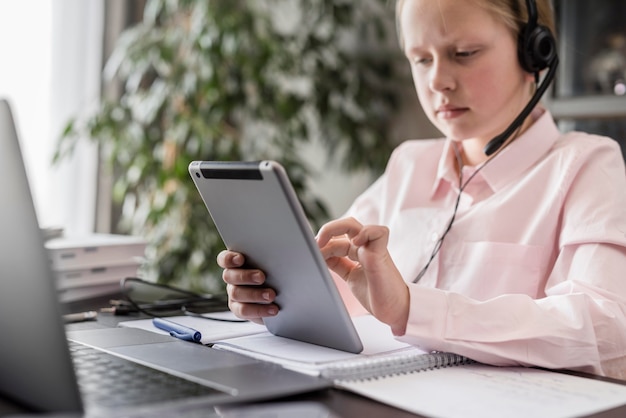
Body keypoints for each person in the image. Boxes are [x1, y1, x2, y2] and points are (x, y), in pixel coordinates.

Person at [218, 0, 626, 380]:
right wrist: (274, 297)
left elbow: (606, 328)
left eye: (464, 53)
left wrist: (412, 309)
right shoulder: (408, 164)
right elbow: (338, 293)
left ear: (536, 52)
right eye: (420, 59)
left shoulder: (587, 165)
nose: (438, 81)